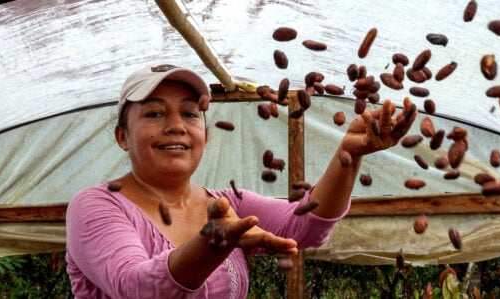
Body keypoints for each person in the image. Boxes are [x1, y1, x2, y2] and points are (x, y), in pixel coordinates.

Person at [65, 64, 417, 298]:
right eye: (155, 113)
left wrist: (349, 155)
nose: (176, 125)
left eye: (190, 113)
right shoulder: (95, 205)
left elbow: (306, 227)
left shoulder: (227, 204)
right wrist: (213, 243)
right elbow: (136, 287)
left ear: (206, 134)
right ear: (122, 136)